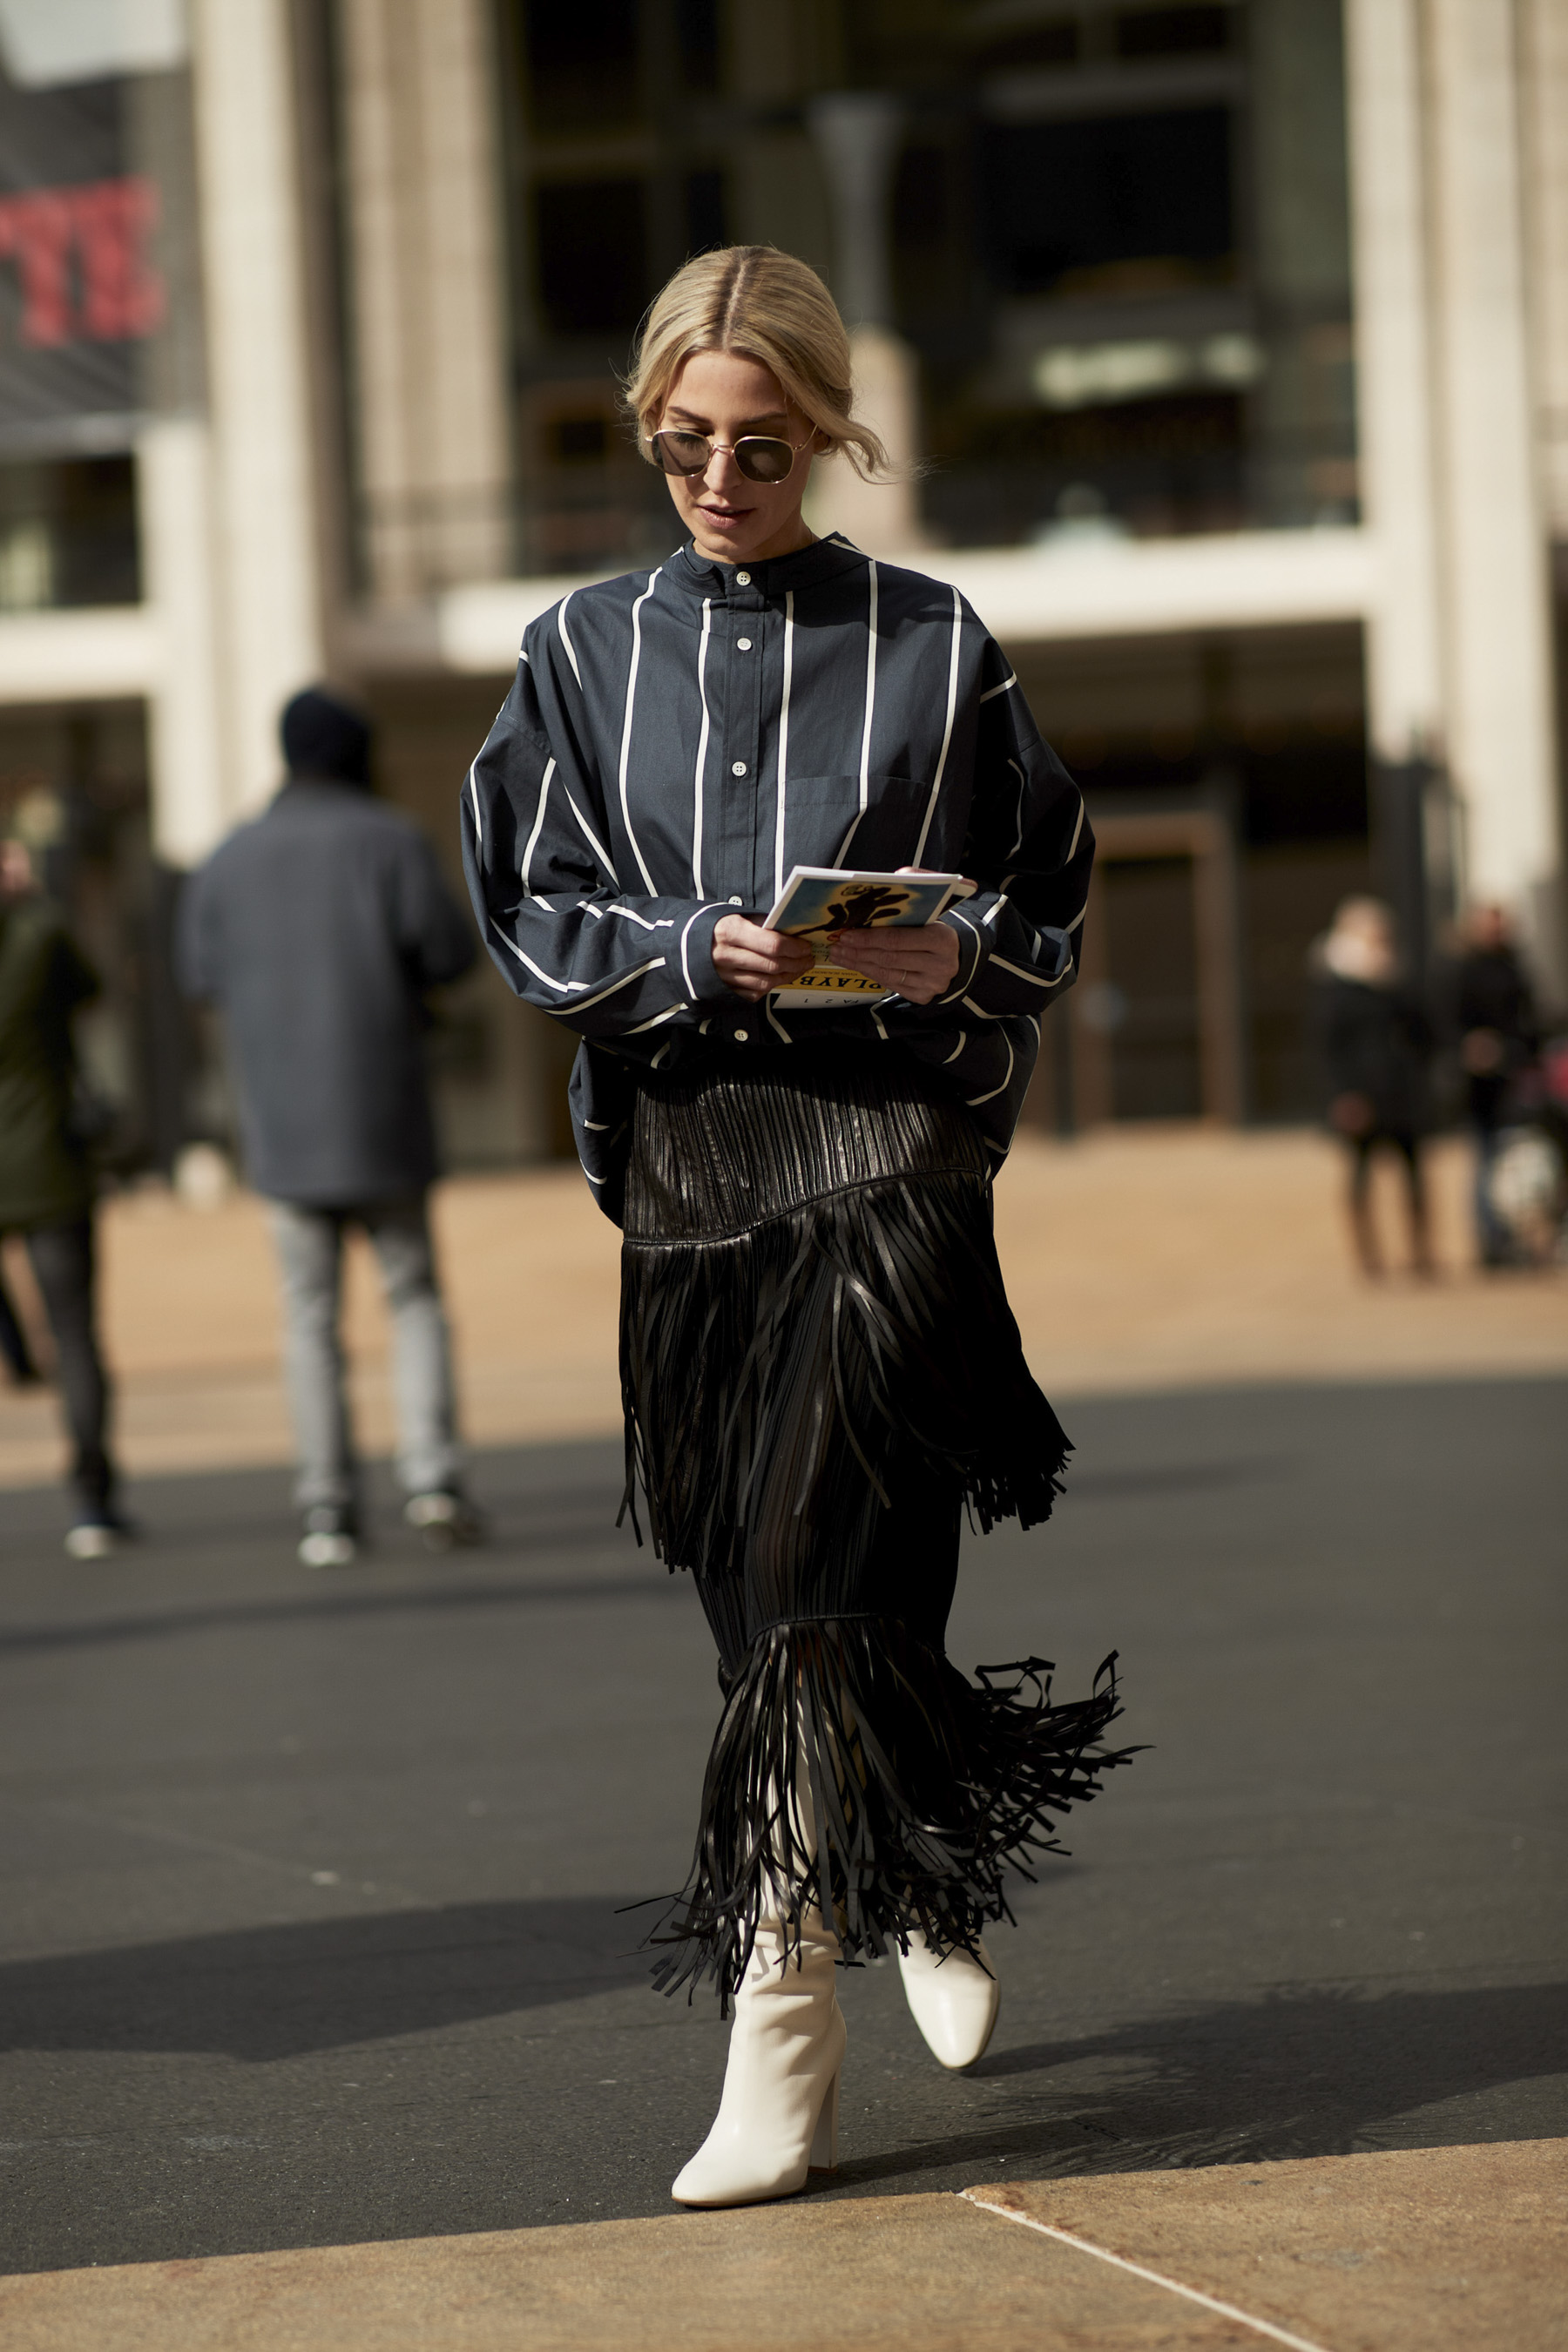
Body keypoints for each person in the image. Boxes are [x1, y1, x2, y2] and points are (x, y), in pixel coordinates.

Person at [462, 246, 1131, 2210]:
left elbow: (1051, 882)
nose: (720, 480)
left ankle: (781, 2018)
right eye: (684, 444)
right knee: (766, 1588)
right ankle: (908, 1861)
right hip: (691, 1174)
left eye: (762, 446)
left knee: (818, 1554)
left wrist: (959, 946)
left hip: (892, 1154)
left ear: (830, 434)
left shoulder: (938, 639)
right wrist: (687, 946)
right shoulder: (579, 652)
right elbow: (522, 905)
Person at [179, 687, 483, 1568]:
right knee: (413, 1297)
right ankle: (433, 1482)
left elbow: (199, 975)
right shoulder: (389, 839)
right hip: (384, 1114)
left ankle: (327, 1506)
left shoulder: (227, 858)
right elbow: (450, 953)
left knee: (308, 1316)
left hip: (281, 1126)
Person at [0, 832, 127, 1556]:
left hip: (36, 1160)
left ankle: (16, 1351)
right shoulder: (39, 933)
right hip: (45, 1157)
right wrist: (28, 899)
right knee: (74, 1331)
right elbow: (90, 990)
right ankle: (92, 1495)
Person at [1313, 896, 1435, 1279]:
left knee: (1413, 1175)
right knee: (1361, 1176)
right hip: (1361, 1095)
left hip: (1401, 1092)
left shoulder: (1396, 978)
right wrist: (1344, 1095)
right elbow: (1328, 1048)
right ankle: (1369, 1256)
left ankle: (1420, 1252)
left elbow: (1423, 1032)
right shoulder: (1337, 984)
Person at [1439, 902, 1542, 1267]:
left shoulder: (1515, 965)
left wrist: (1517, 1050)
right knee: (1484, 1161)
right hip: (1479, 1088)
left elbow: (1531, 1020)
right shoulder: (1461, 971)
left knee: (1519, 1163)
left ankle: (1518, 1238)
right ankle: (1491, 1241)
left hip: (1514, 1079)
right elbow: (1445, 1024)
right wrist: (1471, 1048)